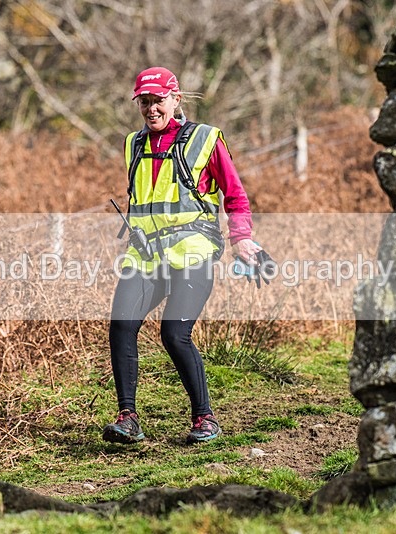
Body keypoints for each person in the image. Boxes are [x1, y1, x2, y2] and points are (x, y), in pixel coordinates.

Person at [103, 66, 262, 445]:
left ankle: (204, 419)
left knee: (174, 334)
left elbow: (235, 195)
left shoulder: (206, 139)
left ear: (176, 99)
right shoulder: (133, 143)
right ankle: (128, 419)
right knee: (121, 326)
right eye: (144, 101)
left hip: (193, 252)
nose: (151, 108)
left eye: (158, 100)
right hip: (145, 256)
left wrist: (242, 239)